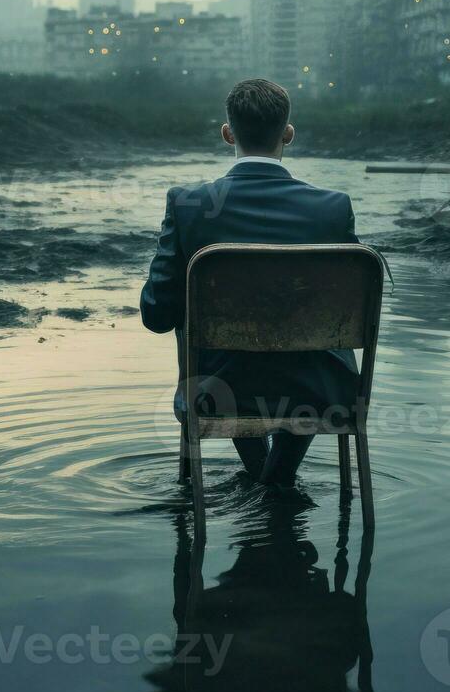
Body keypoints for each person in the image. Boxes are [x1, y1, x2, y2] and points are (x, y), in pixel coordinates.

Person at [140, 79, 360, 486]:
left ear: (227, 134)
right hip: (322, 393)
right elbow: (349, 309)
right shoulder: (332, 209)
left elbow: (156, 314)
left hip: (219, 390)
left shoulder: (189, 207)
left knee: (226, 356)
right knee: (306, 352)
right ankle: (275, 484)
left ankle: (267, 482)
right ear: (288, 134)